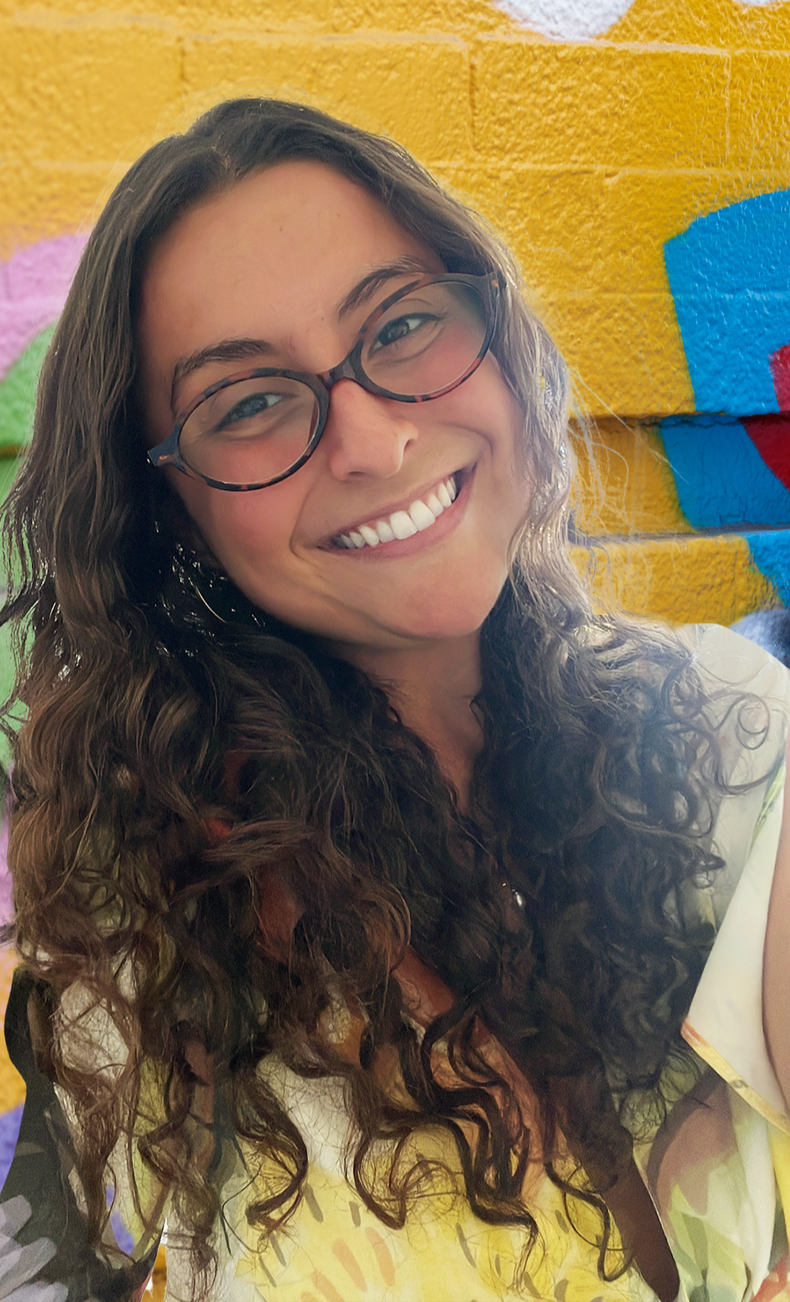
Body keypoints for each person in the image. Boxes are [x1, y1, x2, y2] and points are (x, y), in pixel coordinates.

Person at [0, 97, 789, 1302]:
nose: (368, 442)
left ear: (496, 334)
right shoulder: (143, 924)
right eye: (248, 403)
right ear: (175, 515)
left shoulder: (722, 732)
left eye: (403, 325)